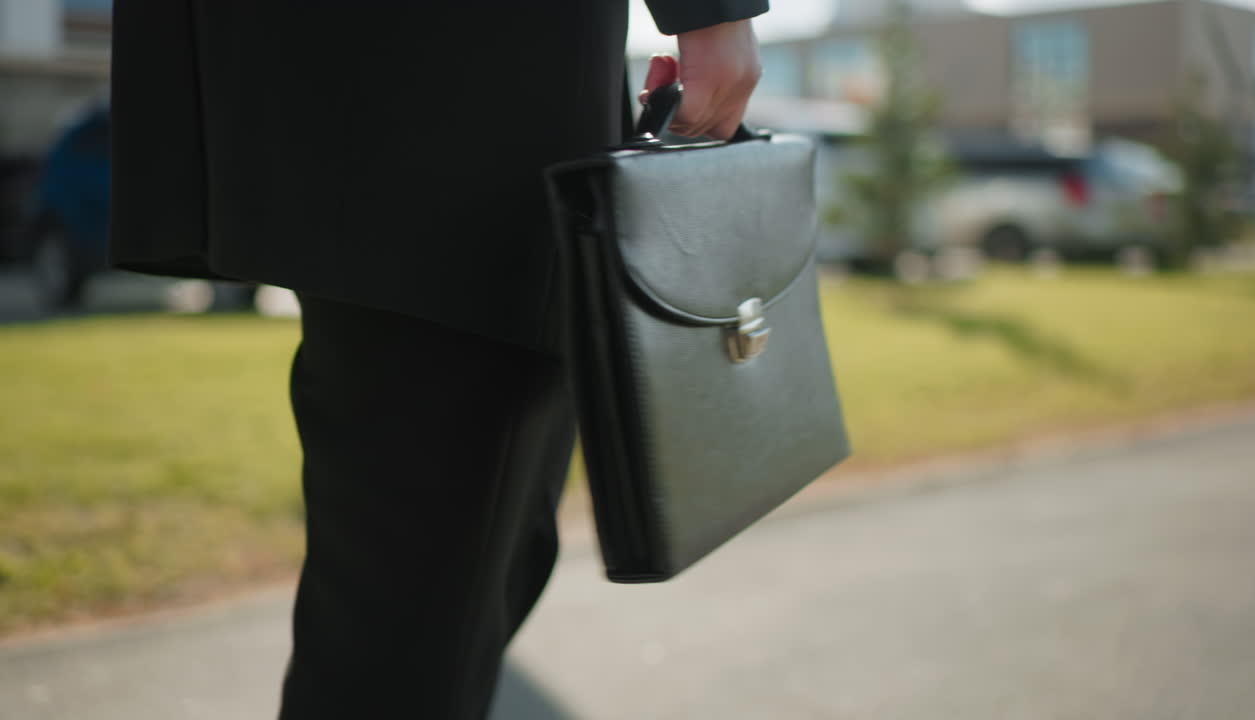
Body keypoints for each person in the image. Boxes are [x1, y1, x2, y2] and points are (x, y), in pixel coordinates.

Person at [109, 2, 766, 717]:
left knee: (447, 587)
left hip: (390, 89)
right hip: (465, 88)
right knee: (419, 621)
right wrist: (714, 13)